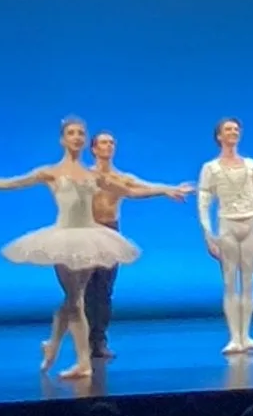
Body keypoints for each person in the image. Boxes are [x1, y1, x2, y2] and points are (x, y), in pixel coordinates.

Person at [0, 117, 185, 379]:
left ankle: (58, 348)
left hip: (91, 236)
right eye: (71, 133)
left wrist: (167, 189)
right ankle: (77, 358)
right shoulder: (50, 172)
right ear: (63, 139)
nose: (77, 137)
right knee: (75, 299)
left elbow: (131, 191)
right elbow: (9, 183)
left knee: (75, 299)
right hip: (64, 237)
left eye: (81, 133)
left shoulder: (94, 175)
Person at [84, 128, 197, 360]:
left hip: (110, 231)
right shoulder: (83, 174)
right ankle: (83, 342)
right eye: (103, 143)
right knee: (85, 290)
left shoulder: (121, 177)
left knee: (104, 289)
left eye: (111, 143)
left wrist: (168, 189)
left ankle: (99, 340)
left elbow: (140, 188)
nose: (108, 146)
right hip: (86, 231)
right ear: (94, 149)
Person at [198, 119, 253, 355]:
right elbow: (204, 202)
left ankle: (246, 335)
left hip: (250, 224)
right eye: (228, 129)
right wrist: (208, 233)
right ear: (219, 136)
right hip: (227, 225)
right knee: (230, 282)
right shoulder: (211, 168)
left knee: (249, 282)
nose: (233, 132)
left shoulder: (251, 165)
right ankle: (234, 337)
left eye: (236, 129)